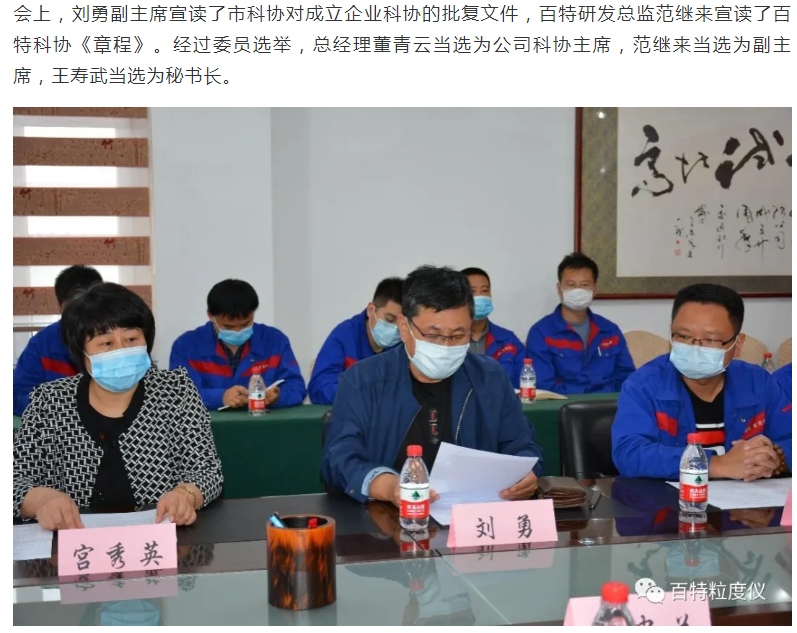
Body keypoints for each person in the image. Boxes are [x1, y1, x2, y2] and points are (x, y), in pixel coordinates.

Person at [321, 265, 544, 505]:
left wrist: (526, 473)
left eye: (458, 335)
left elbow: (523, 446)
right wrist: (387, 486)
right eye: (433, 335)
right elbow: (339, 459)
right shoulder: (362, 379)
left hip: (472, 513)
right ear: (404, 328)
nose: (445, 346)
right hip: (386, 515)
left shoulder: (490, 377)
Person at [13, 283, 224, 530]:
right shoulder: (49, 401)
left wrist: (186, 494)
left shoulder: (175, 390)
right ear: (81, 351)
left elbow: (206, 471)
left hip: (158, 541)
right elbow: (15, 480)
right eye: (106, 343)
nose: (122, 351)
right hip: (73, 543)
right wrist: (42, 500)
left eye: (131, 339)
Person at [612, 283, 792, 480]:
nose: (695, 347)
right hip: (671, 498)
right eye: (683, 336)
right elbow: (629, 453)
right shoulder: (643, 385)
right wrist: (715, 465)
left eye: (710, 339)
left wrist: (775, 458)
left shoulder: (758, 383)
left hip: (748, 497)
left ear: (737, 344)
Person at [170, 279, 307, 410]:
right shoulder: (186, 347)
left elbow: (297, 388)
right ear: (211, 316)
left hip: (263, 423)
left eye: (245, 324)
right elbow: (180, 396)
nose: (238, 331)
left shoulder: (275, 341)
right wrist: (221, 397)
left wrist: (277, 397)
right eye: (228, 327)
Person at [525, 253, 635, 394]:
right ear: (559, 289)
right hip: (564, 405)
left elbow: (626, 377)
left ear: (594, 290)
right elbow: (545, 386)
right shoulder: (541, 333)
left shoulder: (609, 330)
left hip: (607, 404)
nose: (577, 290)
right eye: (571, 285)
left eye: (584, 285)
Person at [13, 265, 103, 416]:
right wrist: (63, 408)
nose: (84, 315)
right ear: (61, 306)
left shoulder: (120, 338)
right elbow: (17, 395)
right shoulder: (42, 344)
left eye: (92, 306)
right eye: (76, 308)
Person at [308, 277, 404, 405]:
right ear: (371, 310)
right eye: (389, 319)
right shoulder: (344, 335)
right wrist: (364, 394)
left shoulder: (405, 344)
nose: (395, 328)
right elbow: (319, 388)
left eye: (402, 323)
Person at [460, 267, 525, 388]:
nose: (480, 296)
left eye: (485, 290)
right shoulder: (447, 340)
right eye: (472, 291)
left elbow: (523, 384)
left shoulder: (508, 340)